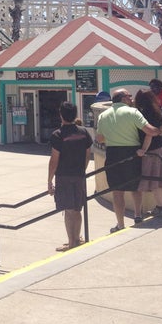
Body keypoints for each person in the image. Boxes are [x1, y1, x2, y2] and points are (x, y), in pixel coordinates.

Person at [96, 88, 162, 233]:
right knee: (136, 187)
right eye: (129, 96)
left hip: (113, 154)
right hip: (132, 153)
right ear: (123, 99)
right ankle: (138, 215)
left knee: (117, 191)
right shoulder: (132, 112)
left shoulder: (103, 115)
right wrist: (159, 130)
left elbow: (99, 138)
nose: (131, 99)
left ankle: (120, 224)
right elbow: (149, 131)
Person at [48, 101, 93, 251]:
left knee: (68, 210)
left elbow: (54, 160)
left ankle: (72, 242)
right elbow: (88, 155)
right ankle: (76, 239)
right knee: (77, 209)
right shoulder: (83, 132)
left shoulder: (58, 135)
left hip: (64, 177)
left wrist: (49, 180)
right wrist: (82, 169)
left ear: (61, 115)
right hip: (79, 175)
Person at [135, 89, 162, 219]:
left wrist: (143, 150)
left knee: (155, 181)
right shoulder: (157, 112)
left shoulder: (142, 114)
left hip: (152, 152)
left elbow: (148, 135)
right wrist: (156, 132)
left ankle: (161, 208)